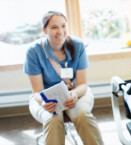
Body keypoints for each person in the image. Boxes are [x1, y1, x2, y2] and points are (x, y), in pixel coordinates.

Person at [24, 11, 103, 145]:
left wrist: (75, 94)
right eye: (54, 27)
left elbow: (83, 84)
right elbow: (37, 91)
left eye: (63, 26)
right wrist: (44, 103)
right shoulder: (34, 51)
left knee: (82, 116)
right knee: (53, 119)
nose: (60, 31)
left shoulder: (78, 45)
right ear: (44, 30)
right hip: (45, 98)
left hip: (75, 92)